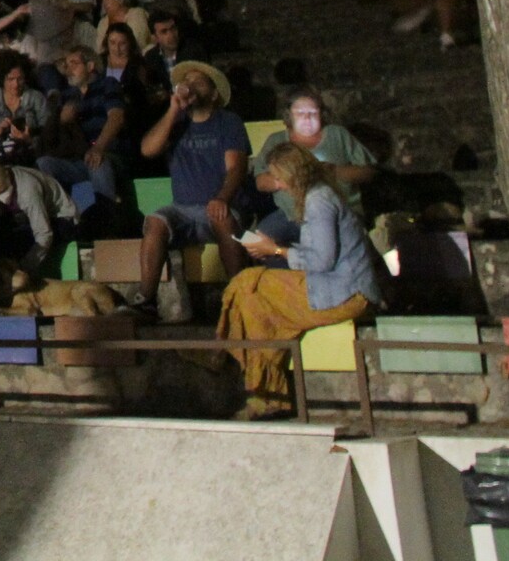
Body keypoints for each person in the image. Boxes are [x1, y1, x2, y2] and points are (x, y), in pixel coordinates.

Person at [221, 143, 380, 418]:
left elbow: (321, 261)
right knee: (251, 291)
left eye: (280, 178)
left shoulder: (319, 200)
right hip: (336, 285)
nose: (278, 185)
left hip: (344, 292)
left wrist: (276, 250)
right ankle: (263, 390)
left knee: (249, 285)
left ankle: (251, 380)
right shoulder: (318, 195)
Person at [131, 62, 252, 315]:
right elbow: (147, 149)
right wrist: (173, 111)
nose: (191, 86)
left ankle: (241, 296)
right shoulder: (176, 122)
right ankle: (147, 300)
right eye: (187, 81)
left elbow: (236, 169)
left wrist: (221, 198)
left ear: (214, 93)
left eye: (199, 82)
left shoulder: (228, 122)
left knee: (223, 218)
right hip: (182, 210)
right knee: (155, 221)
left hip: (219, 204)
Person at [248, 88, 376, 245]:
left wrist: (333, 171)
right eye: (300, 113)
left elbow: (368, 172)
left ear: (321, 114)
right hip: (292, 216)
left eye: (313, 113)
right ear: (289, 116)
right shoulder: (276, 141)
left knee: (330, 246)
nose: (307, 118)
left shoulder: (337, 135)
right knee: (256, 241)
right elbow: (260, 182)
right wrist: (288, 179)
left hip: (339, 212)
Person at [42, 46, 128, 203]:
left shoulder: (107, 84)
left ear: (90, 66)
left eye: (74, 64)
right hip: (78, 158)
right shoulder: (67, 95)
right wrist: (62, 121)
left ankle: (108, 217)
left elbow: (116, 117)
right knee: (45, 164)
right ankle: (67, 218)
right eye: (66, 65)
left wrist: (99, 147)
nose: (68, 70)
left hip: (108, 154)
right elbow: (51, 136)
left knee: (96, 161)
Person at [0, 159, 79, 275]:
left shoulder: (28, 189)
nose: (2, 199)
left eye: (3, 191)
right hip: (25, 219)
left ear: (7, 174)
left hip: (60, 217)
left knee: (24, 246)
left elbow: (44, 234)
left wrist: (24, 268)